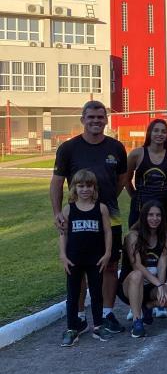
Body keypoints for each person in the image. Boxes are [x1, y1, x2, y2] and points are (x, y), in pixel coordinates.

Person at [51, 100, 128, 334]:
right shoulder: (68, 148)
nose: (96, 121)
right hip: (78, 218)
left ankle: (106, 313)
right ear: (83, 119)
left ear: (106, 119)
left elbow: (122, 180)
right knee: (79, 265)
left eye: (100, 117)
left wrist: (100, 204)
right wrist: (57, 213)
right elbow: (56, 183)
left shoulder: (116, 147)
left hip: (110, 216)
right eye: (91, 117)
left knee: (109, 264)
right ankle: (81, 315)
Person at [58, 169, 112, 346]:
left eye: (89, 186)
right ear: (74, 188)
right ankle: (72, 328)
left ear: (94, 188)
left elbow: (107, 231)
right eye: (80, 186)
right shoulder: (68, 209)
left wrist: (107, 253)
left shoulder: (101, 208)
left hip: (95, 258)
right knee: (73, 294)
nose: (85, 189)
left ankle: (98, 325)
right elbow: (63, 234)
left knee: (96, 292)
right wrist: (63, 256)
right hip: (74, 258)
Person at [118, 202, 167, 338]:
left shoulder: (165, 237)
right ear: (143, 216)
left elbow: (162, 264)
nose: (155, 218)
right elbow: (137, 266)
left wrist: (161, 286)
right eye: (151, 215)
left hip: (152, 286)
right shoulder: (133, 236)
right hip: (130, 286)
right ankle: (137, 321)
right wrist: (159, 284)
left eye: (158, 215)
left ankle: (148, 306)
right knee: (137, 275)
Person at [124, 118, 167, 229]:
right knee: (136, 238)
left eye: (163, 131)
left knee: (162, 240)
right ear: (149, 132)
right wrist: (135, 196)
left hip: (164, 206)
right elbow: (126, 180)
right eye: (156, 130)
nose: (159, 134)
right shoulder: (136, 154)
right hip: (140, 205)